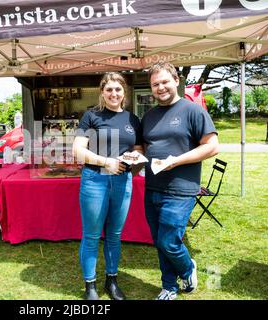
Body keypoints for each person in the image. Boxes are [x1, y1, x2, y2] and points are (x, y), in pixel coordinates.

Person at [141, 61, 219, 300]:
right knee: (159, 242)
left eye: (165, 81)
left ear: (176, 80)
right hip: (152, 187)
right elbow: (146, 148)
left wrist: (176, 160)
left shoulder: (193, 110)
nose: (161, 87)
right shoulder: (149, 115)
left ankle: (187, 268)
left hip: (180, 189)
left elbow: (212, 146)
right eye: (155, 84)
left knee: (170, 241)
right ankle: (169, 286)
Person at [73, 72, 143, 300]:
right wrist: (106, 162)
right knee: (92, 235)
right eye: (109, 89)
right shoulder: (91, 116)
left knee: (114, 235)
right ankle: (90, 287)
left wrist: (134, 157)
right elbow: (78, 151)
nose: (114, 93)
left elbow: (139, 148)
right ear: (103, 92)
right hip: (95, 180)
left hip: (123, 181)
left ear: (125, 92)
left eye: (118, 89)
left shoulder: (133, 120)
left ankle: (111, 282)